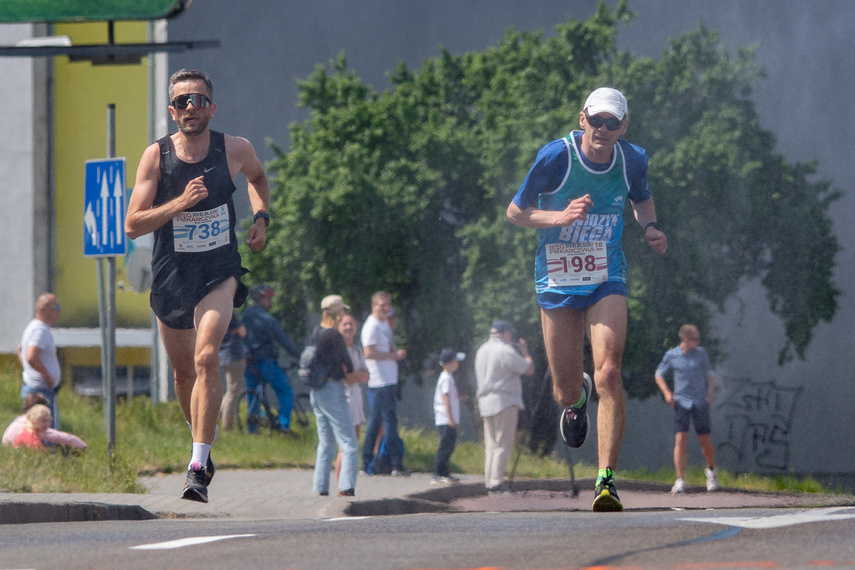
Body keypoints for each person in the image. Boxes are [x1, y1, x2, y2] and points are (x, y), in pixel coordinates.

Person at [507, 87, 668, 511]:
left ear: (623, 127)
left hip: (605, 276)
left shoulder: (632, 159)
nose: (603, 129)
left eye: (612, 123)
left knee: (609, 373)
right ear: (583, 119)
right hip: (557, 280)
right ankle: (575, 401)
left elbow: (642, 199)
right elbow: (516, 212)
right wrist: (558, 216)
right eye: (596, 120)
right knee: (564, 389)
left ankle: (606, 481)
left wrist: (650, 228)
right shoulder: (555, 157)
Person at [125, 68, 271, 503]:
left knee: (208, 356)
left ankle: (196, 466)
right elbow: (133, 224)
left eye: (198, 100)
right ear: (172, 111)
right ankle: (201, 441)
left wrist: (261, 219)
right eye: (182, 101)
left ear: (212, 107)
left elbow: (258, 179)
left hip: (218, 269)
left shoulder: (235, 149)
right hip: (171, 273)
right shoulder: (156, 157)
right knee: (184, 371)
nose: (191, 107)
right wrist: (180, 203)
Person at [655, 324, 719, 494]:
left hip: (699, 402)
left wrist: (709, 394)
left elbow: (710, 375)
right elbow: (659, 374)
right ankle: (680, 479)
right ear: (685, 339)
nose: (698, 341)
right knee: (680, 439)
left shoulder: (701, 354)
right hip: (681, 402)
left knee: (704, 439)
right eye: (695, 338)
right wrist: (667, 393)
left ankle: (711, 472)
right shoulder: (672, 355)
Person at [474, 321, 534, 493]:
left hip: (485, 402)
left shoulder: (482, 350)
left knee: (491, 444)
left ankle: (489, 481)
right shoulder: (505, 350)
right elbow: (528, 369)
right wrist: (525, 352)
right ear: (505, 333)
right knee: (503, 443)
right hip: (504, 401)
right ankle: (497, 482)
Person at [310, 295, 359, 497]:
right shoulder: (334, 335)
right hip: (333, 389)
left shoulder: (317, 331)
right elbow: (348, 362)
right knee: (349, 443)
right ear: (339, 313)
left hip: (317, 391)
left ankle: (320, 487)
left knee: (326, 443)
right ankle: (346, 487)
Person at [242, 284, 302, 437]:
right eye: (269, 299)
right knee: (286, 392)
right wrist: (299, 357)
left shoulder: (245, 315)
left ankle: (253, 430)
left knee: (253, 395)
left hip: (248, 363)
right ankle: (284, 427)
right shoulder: (268, 319)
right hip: (266, 362)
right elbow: (284, 341)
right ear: (263, 300)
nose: (270, 302)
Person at [361, 291, 408, 475]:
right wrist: (393, 356)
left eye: (388, 305)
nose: (386, 309)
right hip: (379, 380)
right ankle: (395, 463)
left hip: (389, 379)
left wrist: (396, 355)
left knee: (378, 421)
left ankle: (369, 462)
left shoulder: (383, 324)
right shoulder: (371, 326)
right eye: (382, 305)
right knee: (388, 421)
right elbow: (368, 353)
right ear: (374, 306)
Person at [18, 293, 62, 430]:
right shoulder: (40, 330)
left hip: (34, 387)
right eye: (55, 306)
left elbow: (21, 350)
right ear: (43, 309)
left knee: (34, 428)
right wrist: (48, 376)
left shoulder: (33, 326)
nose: (58, 310)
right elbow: (31, 356)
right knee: (46, 431)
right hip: (41, 390)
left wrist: (28, 369)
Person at [335, 313, 369, 485]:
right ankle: (341, 482)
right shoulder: (338, 349)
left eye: (351, 324)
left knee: (354, 438)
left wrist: (355, 375)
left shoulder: (356, 350)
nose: (348, 328)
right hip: (344, 397)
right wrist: (356, 375)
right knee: (346, 442)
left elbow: (366, 375)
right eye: (345, 324)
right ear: (339, 327)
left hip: (356, 397)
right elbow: (346, 377)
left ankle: (347, 480)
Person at [3, 393, 87, 451]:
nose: (47, 424)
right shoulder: (30, 431)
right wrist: (82, 445)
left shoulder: (19, 421)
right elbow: (59, 437)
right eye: (43, 419)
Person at [432, 348, 465, 485]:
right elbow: (445, 398)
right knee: (445, 446)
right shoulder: (446, 378)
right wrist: (450, 417)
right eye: (455, 360)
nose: (457, 363)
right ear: (450, 362)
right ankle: (438, 473)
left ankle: (445, 472)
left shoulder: (448, 377)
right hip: (445, 419)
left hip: (448, 418)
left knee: (449, 446)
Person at [219, 311, 247, 432]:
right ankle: (227, 428)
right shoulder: (228, 310)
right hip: (234, 356)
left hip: (223, 356)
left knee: (229, 392)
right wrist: (237, 330)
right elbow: (243, 331)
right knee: (232, 393)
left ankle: (214, 421)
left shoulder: (215, 310)